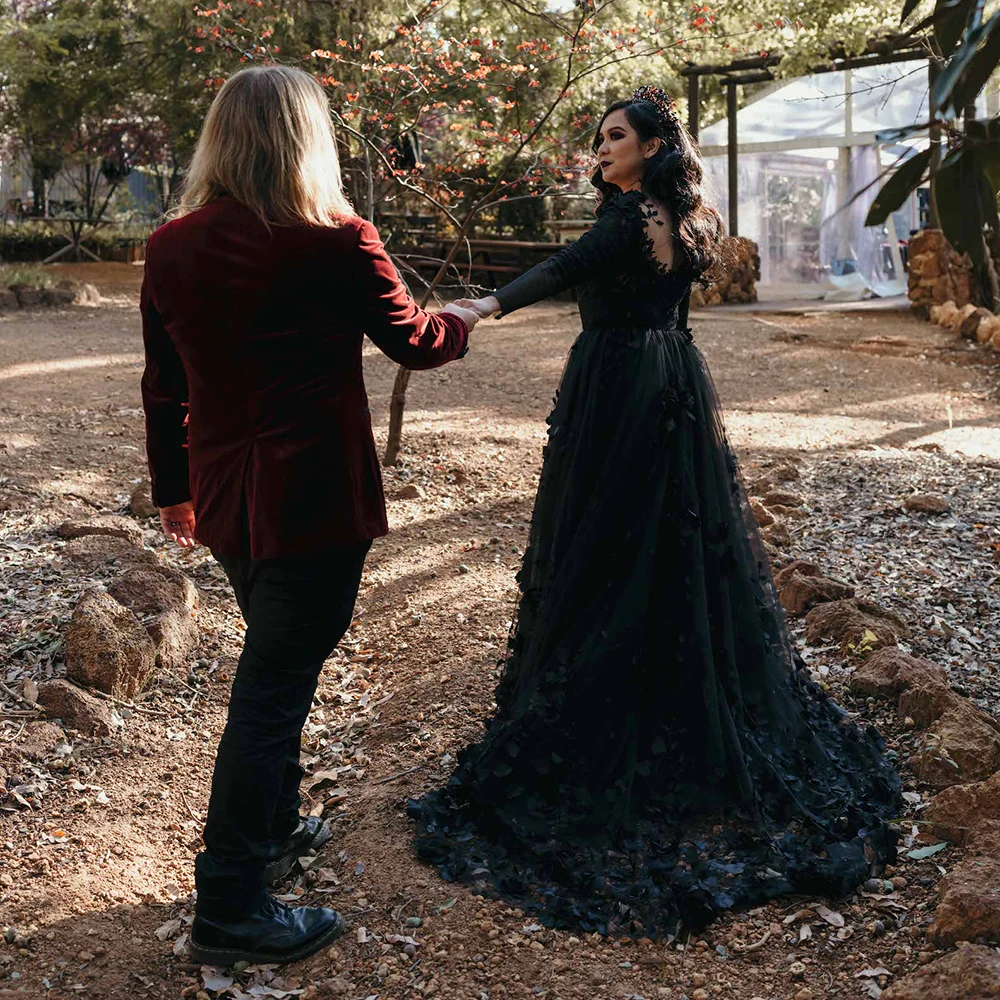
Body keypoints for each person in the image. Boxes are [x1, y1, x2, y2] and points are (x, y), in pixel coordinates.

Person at [408, 86, 901, 936]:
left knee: (604, 547)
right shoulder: (688, 218)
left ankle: (612, 714)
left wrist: (480, 306)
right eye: (599, 138)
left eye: (613, 137)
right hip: (671, 378)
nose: (600, 149)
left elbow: (562, 271)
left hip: (617, 389)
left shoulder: (630, 218)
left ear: (651, 145)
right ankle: (684, 701)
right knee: (669, 543)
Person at [140, 65, 479, 966]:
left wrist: (173, 488)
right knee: (272, 695)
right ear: (307, 137)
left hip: (225, 498)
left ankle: (278, 831)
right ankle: (230, 906)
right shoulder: (337, 240)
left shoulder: (170, 246)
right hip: (316, 504)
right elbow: (417, 340)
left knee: (273, 668)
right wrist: (465, 315)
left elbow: (162, 386)